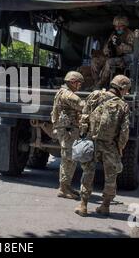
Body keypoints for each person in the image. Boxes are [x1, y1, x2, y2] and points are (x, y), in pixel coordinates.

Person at [75, 75, 131, 217]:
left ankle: (83, 205)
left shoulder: (95, 95)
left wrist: (83, 135)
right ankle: (105, 206)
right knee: (111, 176)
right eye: (126, 90)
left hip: (91, 142)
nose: (127, 93)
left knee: (88, 172)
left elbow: (84, 115)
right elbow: (124, 131)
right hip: (110, 145)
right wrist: (120, 147)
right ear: (121, 88)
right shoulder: (123, 106)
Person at [51, 71, 85, 200]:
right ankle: (63, 188)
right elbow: (83, 106)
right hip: (68, 131)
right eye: (78, 83)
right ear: (72, 82)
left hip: (66, 129)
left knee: (70, 158)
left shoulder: (61, 91)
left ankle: (67, 185)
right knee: (68, 159)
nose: (80, 85)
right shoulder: (69, 95)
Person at [96, 16, 136, 88]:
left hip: (125, 59)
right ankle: (95, 82)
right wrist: (108, 47)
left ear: (125, 26)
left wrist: (120, 44)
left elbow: (131, 50)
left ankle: (100, 84)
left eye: (120, 26)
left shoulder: (130, 34)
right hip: (113, 56)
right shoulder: (114, 34)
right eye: (116, 26)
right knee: (95, 61)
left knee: (109, 62)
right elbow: (105, 49)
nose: (118, 28)